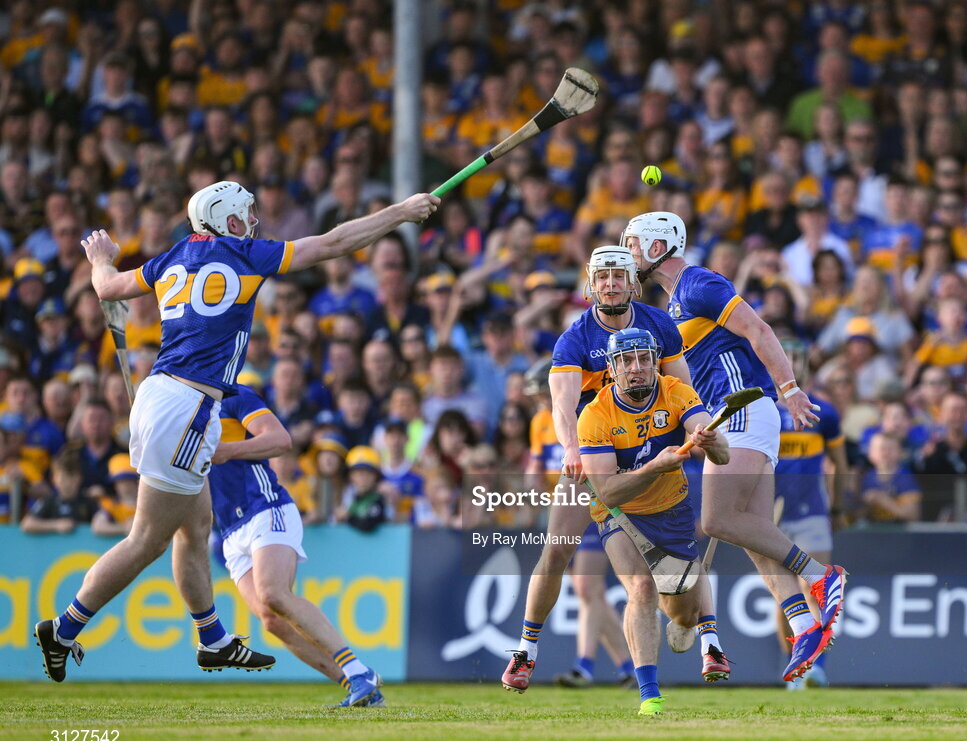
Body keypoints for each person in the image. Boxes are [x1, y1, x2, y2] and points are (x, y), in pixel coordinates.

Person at [33, 179, 438, 682]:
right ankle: (64, 628)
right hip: (189, 406)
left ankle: (212, 639)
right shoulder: (246, 253)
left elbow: (108, 288)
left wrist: (100, 256)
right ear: (225, 220)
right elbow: (334, 243)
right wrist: (398, 211)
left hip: (160, 395)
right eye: (244, 213)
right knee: (146, 541)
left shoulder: (175, 254)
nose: (252, 221)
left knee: (195, 525)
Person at [621, 211, 847, 682]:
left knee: (717, 520)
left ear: (660, 247)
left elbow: (759, 330)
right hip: (727, 419)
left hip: (741, 407)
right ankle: (804, 625)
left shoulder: (699, 283)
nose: (629, 253)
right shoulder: (672, 305)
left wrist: (790, 388)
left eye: (634, 244)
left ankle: (820, 576)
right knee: (754, 532)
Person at [501, 246, 721, 694]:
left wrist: (698, 432)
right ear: (591, 283)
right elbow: (562, 405)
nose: (610, 283)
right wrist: (571, 449)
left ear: (631, 281)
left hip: (652, 448)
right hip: (594, 453)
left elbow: (683, 388)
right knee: (556, 550)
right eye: (601, 276)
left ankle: (701, 631)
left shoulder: (659, 324)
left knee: (675, 589)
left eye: (618, 275)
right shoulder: (574, 339)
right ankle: (526, 652)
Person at [579, 328, 730, 716]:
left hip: (670, 507)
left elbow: (723, 455)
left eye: (644, 358)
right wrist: (653, 467)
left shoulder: (677, 391)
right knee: (641, 588)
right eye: (627, 361)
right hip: (619, 513)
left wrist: (712, 442)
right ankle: (650, 695)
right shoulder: (595, 415)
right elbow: (609, 492)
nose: (637, 368)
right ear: (612, 369)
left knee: (681, 612)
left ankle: (692, 621)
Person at [209, 385, 384, 707]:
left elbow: (281, 440)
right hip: (229, 530)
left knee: (273, 593)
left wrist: (229, 449)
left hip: (264, 507)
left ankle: (360, 671)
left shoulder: (232, 395)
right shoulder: (178, 414)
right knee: (270, 618)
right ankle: (357, 685)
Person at [522, 358, 634, 689]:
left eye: (543, 392)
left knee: (588, 587)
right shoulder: (540, 422)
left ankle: (584, 665)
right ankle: (627, 664)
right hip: (565, 505)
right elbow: (537, 464)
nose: (541, 400)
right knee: (590, 593)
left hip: (594, 498)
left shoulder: (583, 414)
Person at [773, 339, 848, 690]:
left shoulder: (824, 411)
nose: (792, 363)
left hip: (812, 512)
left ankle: (817, 666)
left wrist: (838, 504)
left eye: (797, 357)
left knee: (815, 587)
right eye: (785, 357)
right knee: (784, 594)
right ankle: (796, 667)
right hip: (770, 517)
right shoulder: (763, 411)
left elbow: (840, 463)